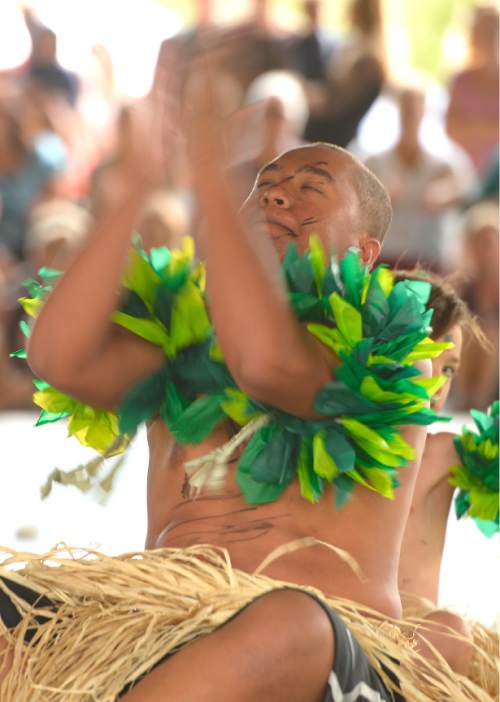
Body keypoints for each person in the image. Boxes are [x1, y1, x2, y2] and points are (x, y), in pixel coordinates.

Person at [0, 56, 484, 702]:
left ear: (366, 253)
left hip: (332, 648)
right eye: (265, 183)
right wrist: (134, 190)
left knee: (292, 623)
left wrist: (208, 174)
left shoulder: (391, 350)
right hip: (155, 624)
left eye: (311, 186)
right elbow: (56, 358)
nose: (278, 193)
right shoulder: (185, 343)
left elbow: (266, 364)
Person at [365, 86, 475, 273]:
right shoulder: (375, 161)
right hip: (386, 255)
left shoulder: (446, 162)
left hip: (428, 256)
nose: (410, 119)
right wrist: (381, 197)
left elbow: (469, 189)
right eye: (406, 111)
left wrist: (448, 193)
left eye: (415, 112)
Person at [445, 4, 499, 176]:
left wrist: (472, 128)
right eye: (482, 33)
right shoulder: (460, 81)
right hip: (465, 174)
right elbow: (451, 129)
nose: (487, 40)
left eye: (491, 33)